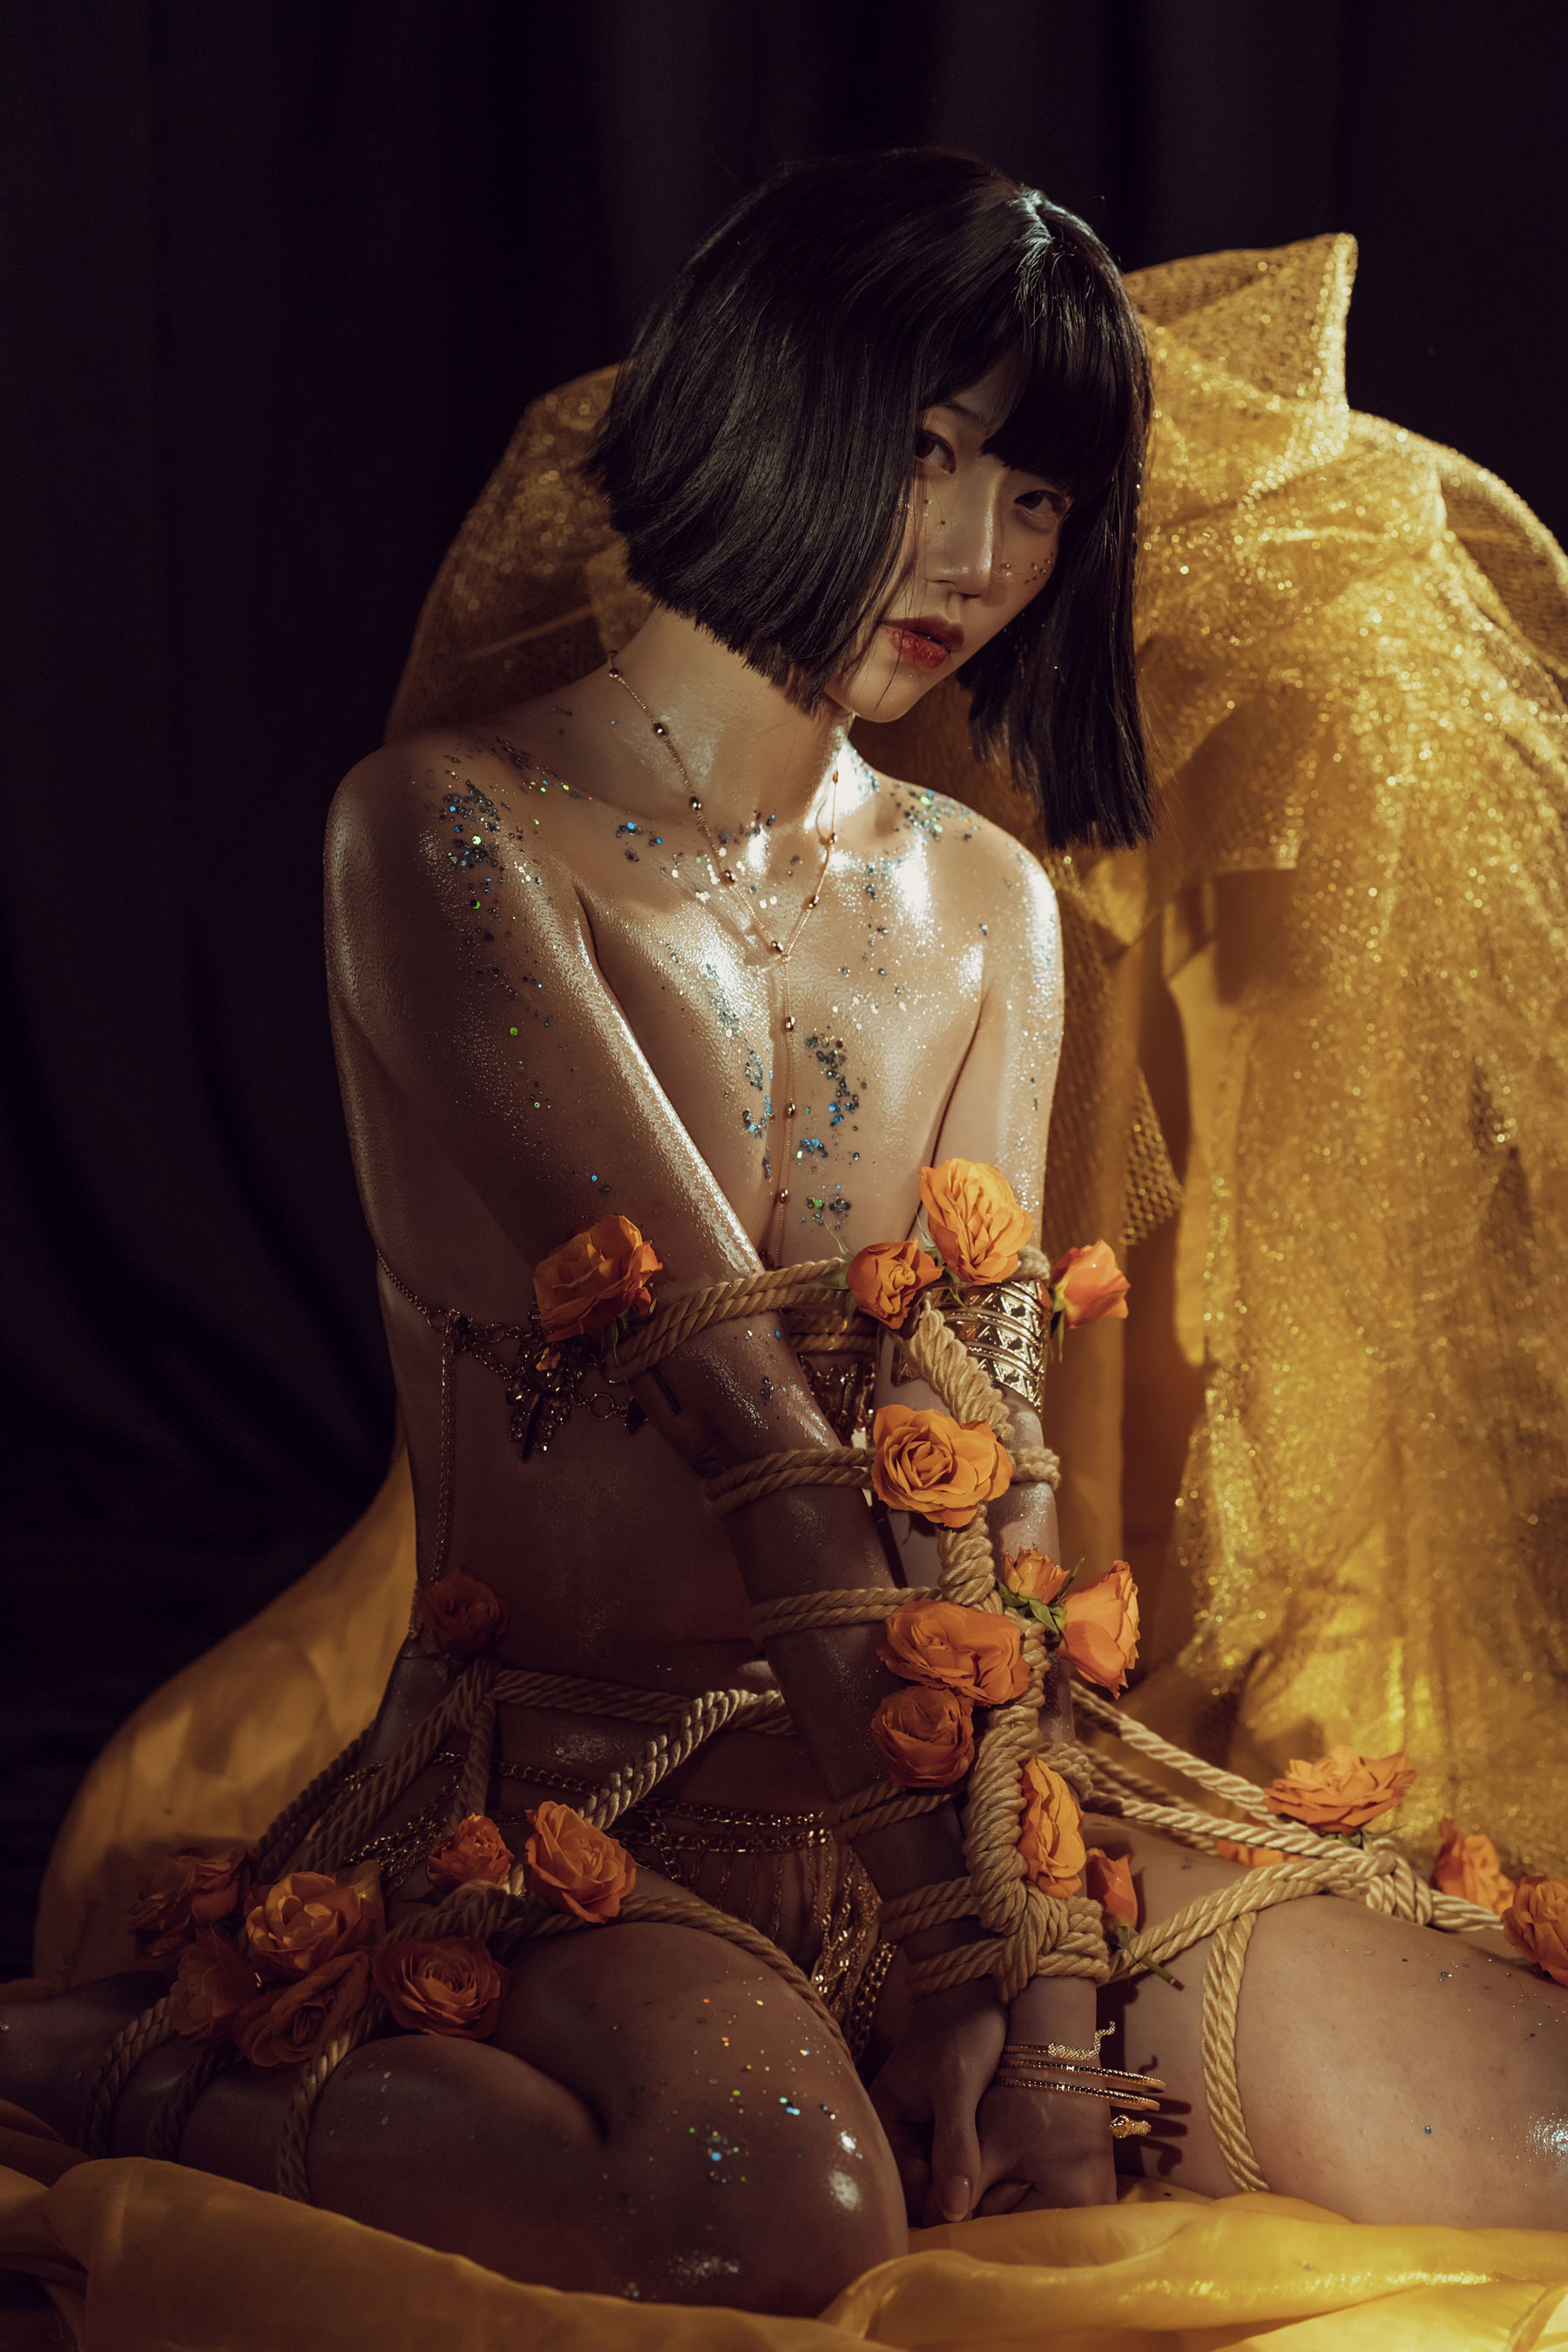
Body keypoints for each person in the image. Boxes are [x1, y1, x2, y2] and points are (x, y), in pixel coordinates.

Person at [4, 150, 1565, 2320]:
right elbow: (757, 1434)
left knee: (1533, 2136)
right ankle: (95, 2055)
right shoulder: (450, 833)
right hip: (584, 1812)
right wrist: (981, 1978)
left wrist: (1036, 1977)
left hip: (960, 1809)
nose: (979, 555)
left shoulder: (982, 901)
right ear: (760, 410)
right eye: (925, 454)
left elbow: (984, 1478)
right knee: (766, 2222)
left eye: (1038, 494)